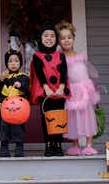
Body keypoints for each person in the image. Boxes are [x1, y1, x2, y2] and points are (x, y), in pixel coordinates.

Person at [57, 21, 100, 156]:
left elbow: (87, 73)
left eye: (69, 37)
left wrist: (92, 91)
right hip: (71, 90)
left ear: (74, 39)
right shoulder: (60, 58)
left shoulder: (82, 56)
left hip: (84, 90)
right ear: (59, 41)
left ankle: (89, 145)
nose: (66, 40)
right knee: (73, 117)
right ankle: (75, 145)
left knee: (88, 116)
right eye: (63, 38)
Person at [29, 22, 71, 156]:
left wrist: (62, 87)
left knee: (59, 117)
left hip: (59, 90)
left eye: (52, 36)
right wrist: (46, 87)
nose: (49, 38)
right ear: (41, 38)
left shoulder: (60, 55)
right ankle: (48, 144)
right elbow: (39, 72)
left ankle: (58, 144)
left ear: (56, 39)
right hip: (45, 91)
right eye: (46, 36)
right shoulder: (37, 56)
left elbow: (64, 71)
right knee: (47, 118)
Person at [0, 49, 29, 157]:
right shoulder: (4, 76)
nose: (13, 63)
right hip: (5, 107)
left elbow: (27, 88)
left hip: (19, 108)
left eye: (16, 61)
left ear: (20, 63)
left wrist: (21, 85)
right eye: (10, 61)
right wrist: (0, 80)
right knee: (4, 126)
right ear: (6, 64)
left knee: (18, 126)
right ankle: (4, 146)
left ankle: (19, 146)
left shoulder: (23, 76)